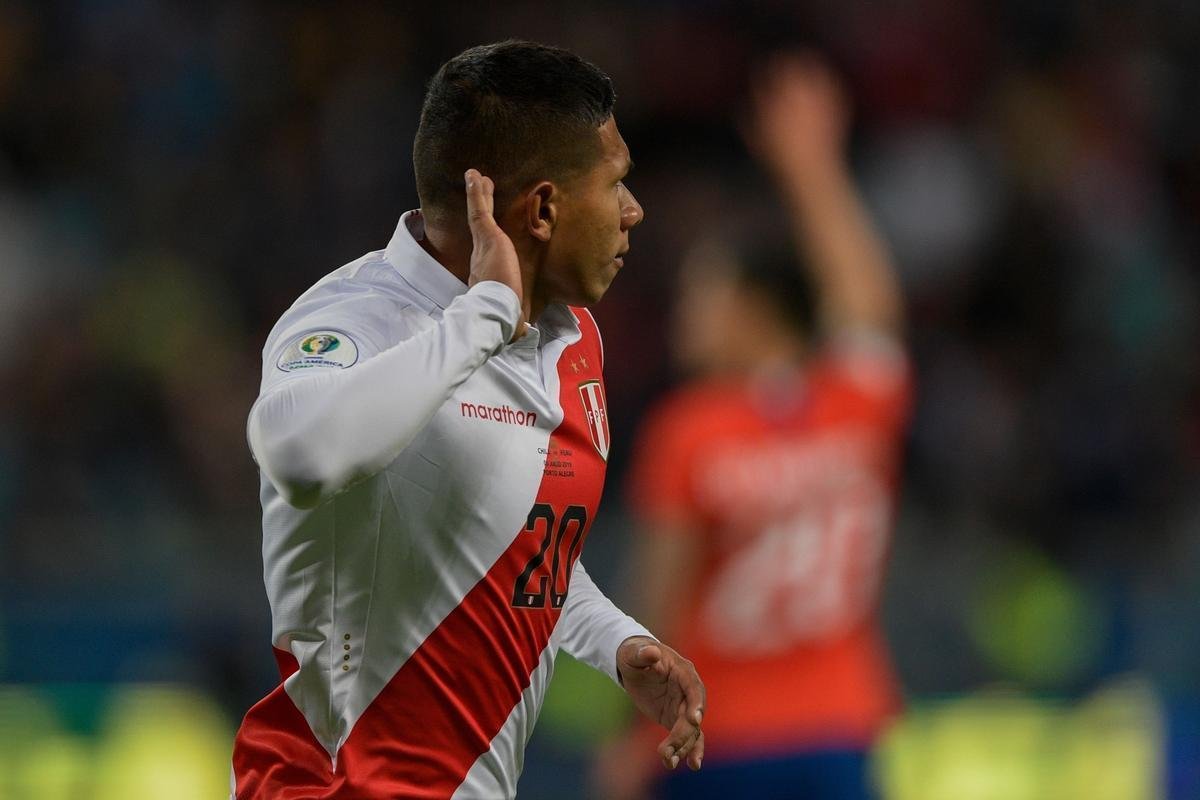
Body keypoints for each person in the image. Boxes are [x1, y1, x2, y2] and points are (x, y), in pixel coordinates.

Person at [230, 41, 705, 800]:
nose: (632, 210)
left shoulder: (572, 340)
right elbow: (297, 455)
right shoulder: (355, 319)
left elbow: (510, 544)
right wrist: (482, 316)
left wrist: (613, 639)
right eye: (615, 182)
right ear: (542, 210)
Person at [598, 55, 910, 800]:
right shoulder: (854, 405)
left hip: (719, 734)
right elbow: (870, 308)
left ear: (757, 310)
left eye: (703, 294)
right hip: (841, 726)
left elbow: (660, 600)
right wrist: (814, 167)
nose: (685, 315)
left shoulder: (690, 428)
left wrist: (632, 734)